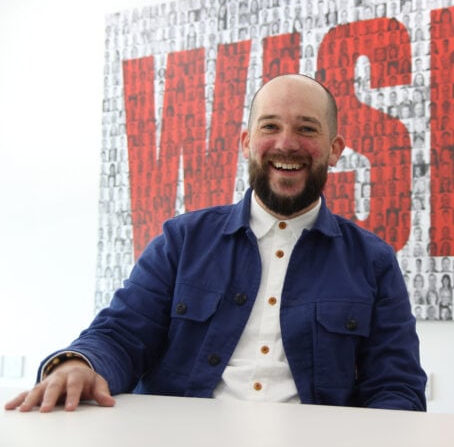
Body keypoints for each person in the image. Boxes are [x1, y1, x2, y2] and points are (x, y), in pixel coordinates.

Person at [6, 74, 427, 413]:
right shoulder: (181, 240)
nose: (286, 143)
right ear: (246, 142)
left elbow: (397, 385)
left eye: (307, 129)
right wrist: (80, 363)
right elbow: (121, 335)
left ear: (334, 150)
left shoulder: (373, 261)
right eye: (270, 127)